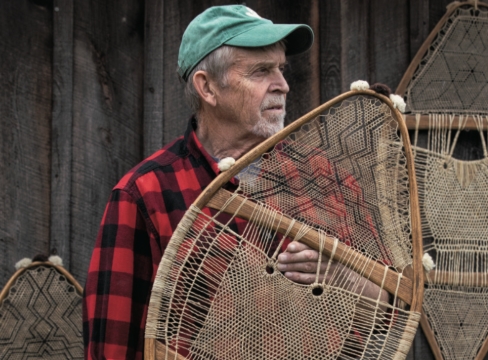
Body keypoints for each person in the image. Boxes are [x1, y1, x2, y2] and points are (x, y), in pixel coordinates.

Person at [83, 5, 386, 359]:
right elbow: (112, 345)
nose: (283, 85)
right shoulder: (145, 195)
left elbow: (395, 304)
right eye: (261, 71)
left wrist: (344, 276)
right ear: (207, 87)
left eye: (281, 69)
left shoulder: (325, 179)